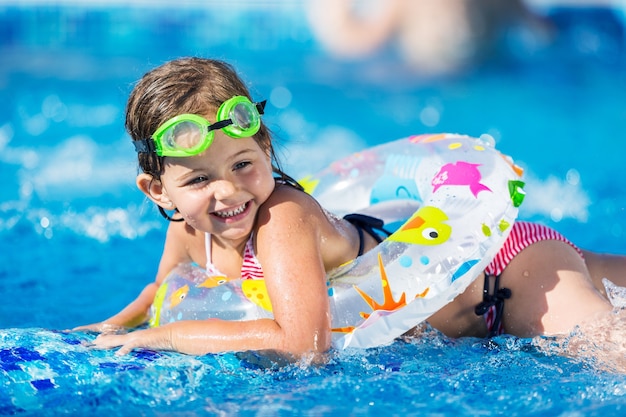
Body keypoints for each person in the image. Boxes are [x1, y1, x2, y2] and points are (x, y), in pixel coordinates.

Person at [76, 57, 626, 364]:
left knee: (609, 357)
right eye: (199, 179)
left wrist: (167, 337)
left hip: (506, 279)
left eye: (243, 164)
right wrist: (119, 324)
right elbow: (168, 289)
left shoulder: (280, 220)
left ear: (266, 149)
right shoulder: (193, 231)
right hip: (492, 277)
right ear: (158, 192)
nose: (229, 192)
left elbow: (304, 345)